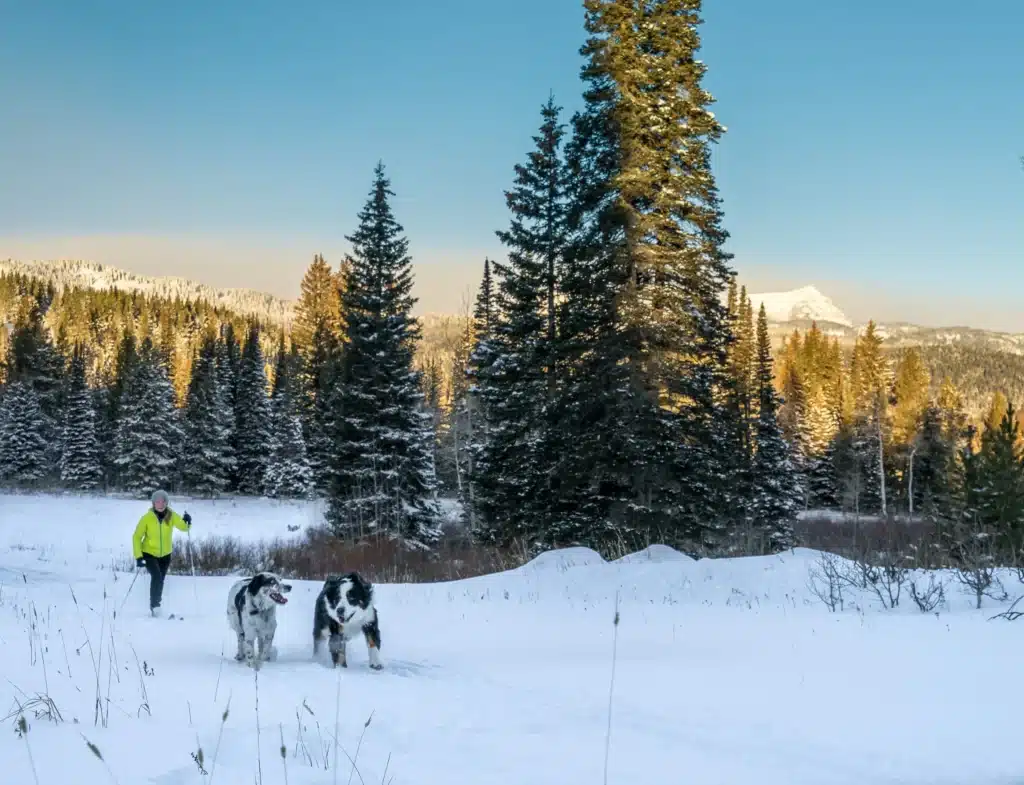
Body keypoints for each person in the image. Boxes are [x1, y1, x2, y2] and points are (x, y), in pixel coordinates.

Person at [131, 489, 192, 616]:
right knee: (157, 577)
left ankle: (156, 604)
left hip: (165, 554)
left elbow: (183, 527)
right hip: (149, 553)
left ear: (166, 502)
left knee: (161, 579)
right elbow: (136, 537)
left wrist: (187, 521)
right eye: (157, 501)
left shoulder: (170, 515)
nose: (160, 504)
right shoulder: (147, 518)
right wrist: (138, 556)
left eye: (162, 501)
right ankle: (155, 606)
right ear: (153, 503)